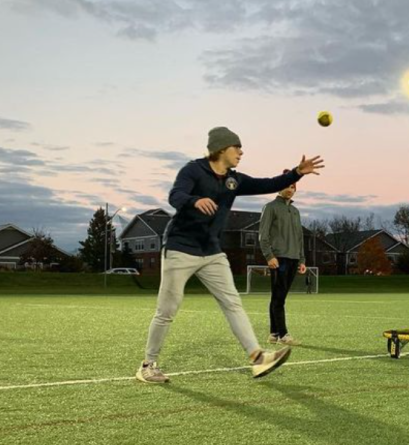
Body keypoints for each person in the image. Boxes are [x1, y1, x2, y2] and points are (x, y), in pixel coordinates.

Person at [135, 126, 324, 384]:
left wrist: (296, 173)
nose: (242, 152)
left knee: (233, 303)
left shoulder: (234, 180)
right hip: (181, 247)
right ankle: (148, 365)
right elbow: (175, 195)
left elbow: (268, 184)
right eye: (238, 147)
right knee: (167, 309)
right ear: (222, 148)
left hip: (212, 251)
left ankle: (258, 358)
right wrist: (194, 200)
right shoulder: (193, 170)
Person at [259, 173, 306, 345]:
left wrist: (302, 260)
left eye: (293, 186)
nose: (290, 189)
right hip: (279, 259)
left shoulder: (295, 211)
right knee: (279, 297)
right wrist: (269, 256)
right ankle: (283, 335)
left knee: (279, 297)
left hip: (294, 258)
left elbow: (300, 237)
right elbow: (262, 235)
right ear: (280, 186)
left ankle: (273, 333)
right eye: (287, 185)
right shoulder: (270, 207)